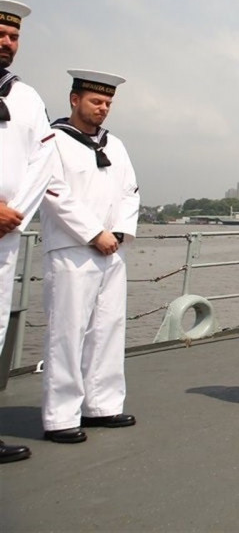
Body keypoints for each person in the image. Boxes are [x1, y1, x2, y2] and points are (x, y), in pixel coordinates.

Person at [38, 71, 139, 445]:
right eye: (96, 101)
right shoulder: (52, 141)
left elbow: (131, 191)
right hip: (71, 250)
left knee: (108, 328)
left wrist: (117, 232)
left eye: (108, 103)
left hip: (112, 250)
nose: (103, 109)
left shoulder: (117, 146)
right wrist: (93, 232)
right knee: (67, 331)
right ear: (74, 99)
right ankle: (61, 416)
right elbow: (53, 192)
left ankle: (102, 405)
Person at [0, 0, 62, 464]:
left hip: (6, 232)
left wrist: (15, 212)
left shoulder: (26, 99)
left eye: (14, 36)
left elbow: (42, 163)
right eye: (1, 33)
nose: (7, 42)